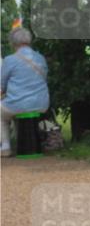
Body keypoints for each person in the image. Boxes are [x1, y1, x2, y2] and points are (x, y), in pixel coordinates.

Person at [1, 26, 50, 157]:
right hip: (41, 103)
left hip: (19, 105)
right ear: (29, 41)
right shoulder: (40, 58)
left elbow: (1, 87)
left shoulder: (9, 60)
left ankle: (5, 147)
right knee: (17, 107)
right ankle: (23, 142)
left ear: (13, 43)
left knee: (2, 115)